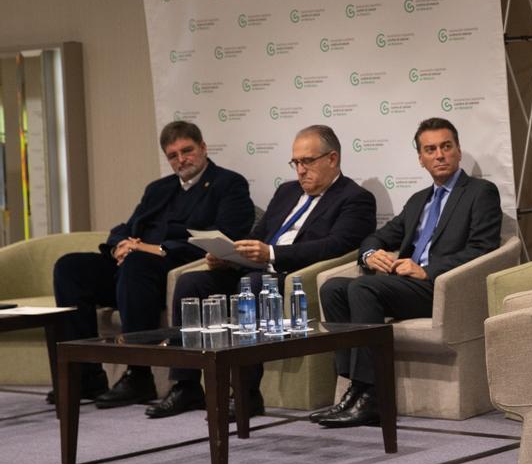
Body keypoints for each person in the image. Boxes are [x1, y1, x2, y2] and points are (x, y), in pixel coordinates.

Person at [145, 125, 376, 418]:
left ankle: (246, 393)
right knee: (192, 283)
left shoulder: (355, 198)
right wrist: (230, 256)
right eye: (296, 163)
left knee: (255, 285)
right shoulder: (286, 191)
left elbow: (336, 246)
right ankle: (186, 385)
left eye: (308, 161)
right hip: (254, 269)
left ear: (332, 159)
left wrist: (272, 254)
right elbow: (259, 233)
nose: (301, 170)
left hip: (290, 277)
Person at [313, 117, 501, 427]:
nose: (439, 154)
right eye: (430, 149)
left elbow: (482, 249)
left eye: (446, 147)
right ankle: (353, 388)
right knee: (333, 287)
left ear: (457, 151)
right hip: (405, 286)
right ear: (420, 158)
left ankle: (372, 397)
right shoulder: (418, 201)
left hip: (441, 287)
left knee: (363, 289)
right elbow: (378, 237)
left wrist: (427, 269)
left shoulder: (480, 192)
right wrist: (371, 254)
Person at [51, 121, 255, 407]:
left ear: (204, 148)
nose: (181, 160)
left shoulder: (228, 184)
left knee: (138, 264)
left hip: (170, 267)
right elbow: (126, 226)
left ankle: (139, 374)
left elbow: (224, 237)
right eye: (173, 155)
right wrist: (118, 247)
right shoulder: (158, 189)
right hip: (133, 270)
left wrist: (150, 249)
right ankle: (87, 375)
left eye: (187, 151)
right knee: (70, 268)